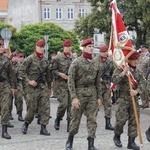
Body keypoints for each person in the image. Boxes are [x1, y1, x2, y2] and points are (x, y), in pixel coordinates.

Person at [65, 38, 102, 150]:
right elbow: (70, 81)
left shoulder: (96, 62)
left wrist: (100, 97)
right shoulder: (76, 62)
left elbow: (97, 81)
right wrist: (74, 97)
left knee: (92, 120)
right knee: (75, 119)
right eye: (89, 46)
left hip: (92, 94)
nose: (91, 48)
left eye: (92, 46)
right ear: (84, 47)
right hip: (79, 93)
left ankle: (91, 144)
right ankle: (70, 140)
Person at [112, 51, 145, 150]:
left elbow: (143, 84)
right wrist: (123, 72)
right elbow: (114, 80)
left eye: (137, 59)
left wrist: (137, 91)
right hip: (122, 98)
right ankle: (117, 136)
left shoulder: (138, 72)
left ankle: (131, 141)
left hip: (133, 99)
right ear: (128, 60)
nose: (136, 61)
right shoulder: (120, 69)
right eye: (133, 59)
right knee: (121, 120)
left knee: (134, 120)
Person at [19, 39, 52, 135]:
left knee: (45, 108)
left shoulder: (46, 60)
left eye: (43, 47)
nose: (42, 49)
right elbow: (21, 71)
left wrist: (49, 88)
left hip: (43, 87)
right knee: (32, 109)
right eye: (40, 47)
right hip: (31, 88)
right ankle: (26, 123)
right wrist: (29, 81)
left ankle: (43, 127)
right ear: (36, 47)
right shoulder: (29, 59)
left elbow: (48, 75)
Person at [52, 40, 73, 131]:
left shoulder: (72, 58)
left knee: (71, 105)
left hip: (71, 84)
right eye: (67, 46)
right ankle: (58, 118)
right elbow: (52, 70)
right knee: (64, 104)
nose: (69, 48)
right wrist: (60, 74)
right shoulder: (58, 58)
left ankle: (69, 123)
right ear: (64, 47)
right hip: (61, 84)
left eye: (70, 46)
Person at [95, 45, 115, 130]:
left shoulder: (110, 61)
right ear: (100, 52)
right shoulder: (95, 61)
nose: (105, 53)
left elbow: (114, 72)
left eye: (106, 52)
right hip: (97, 86)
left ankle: (108, 123)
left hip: (106, 85)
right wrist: (97, 78)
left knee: (108, 104)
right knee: (96, 104)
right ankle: (92, 121)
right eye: (103, 52)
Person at [0, 40, 17, 139]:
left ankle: (4, 130)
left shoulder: (6, 59)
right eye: (0, 46)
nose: (2, 47)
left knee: (5, 107)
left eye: (2, 46)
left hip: (5, 86)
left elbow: (12, 74)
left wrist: (13, 87)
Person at [9, 52, 24, 122]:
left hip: (18, 83)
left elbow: (22, 73)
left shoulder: (20, 66)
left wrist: (20, 77)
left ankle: (20, 113)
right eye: (14, 56)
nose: (15, 58)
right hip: (9, 83)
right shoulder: (8, 64)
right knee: (9, 99)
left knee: (19, 98)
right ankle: (9, 113)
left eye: (16, 57)